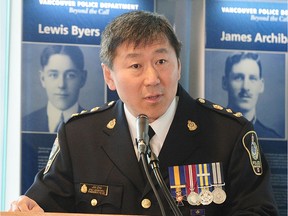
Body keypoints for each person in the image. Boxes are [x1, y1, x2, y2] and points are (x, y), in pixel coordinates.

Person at [10, 11, 278, 215]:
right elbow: (44, 205)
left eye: (161, 61)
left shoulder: (229, 134)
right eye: (136, 65)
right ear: (109, 76)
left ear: (179, 65)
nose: (152, 78)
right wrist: (27, 206)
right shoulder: (80, 136)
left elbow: (258, 210)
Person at [22, 45, 87, 133]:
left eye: (70, 75)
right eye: (53, 75)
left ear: (83, 78)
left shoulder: (96, 124)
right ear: (42, 78)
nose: (61, 85)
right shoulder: (25, 123)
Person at [222, 52, 281, 139]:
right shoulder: (209, 132)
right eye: (238, 77)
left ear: (261, 85)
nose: (245, 87)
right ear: (225, 83)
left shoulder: (273, 138)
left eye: (252, 78)